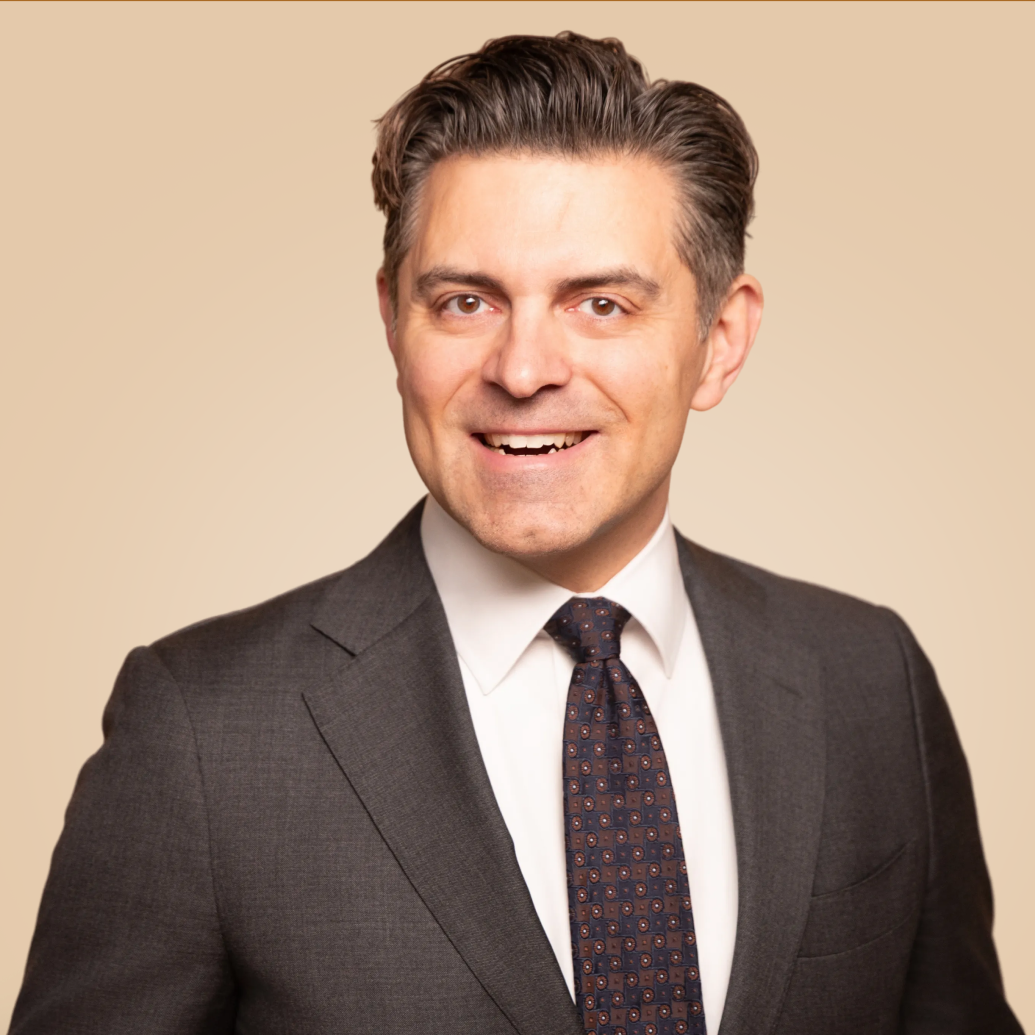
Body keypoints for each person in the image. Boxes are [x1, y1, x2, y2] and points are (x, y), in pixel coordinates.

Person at [9, 31, 1022, 1035]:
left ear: (720, 341)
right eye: (463, 302)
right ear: (393, 325)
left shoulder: (866, 679)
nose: (524, 367)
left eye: (600, 303)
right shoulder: (203, 734)